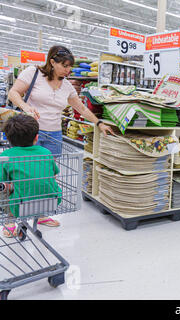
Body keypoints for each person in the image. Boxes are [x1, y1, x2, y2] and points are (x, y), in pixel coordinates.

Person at [8, 45, 113, 228]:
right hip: (29, 132)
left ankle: (39, 214)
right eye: (64, 65)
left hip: (54, 134)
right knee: (19, 175)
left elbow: (80, 108)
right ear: (52, 62)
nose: (68, 70)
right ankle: (10, 220)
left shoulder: (66, 86)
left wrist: (99, 123)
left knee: (47, 176)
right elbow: (13, 93)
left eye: (70, 66)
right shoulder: (33, 73)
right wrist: (26, 108)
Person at [1, 114, 62, 237]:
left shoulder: (6, 156)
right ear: (36, 137)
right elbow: (54, 174)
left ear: (8, 138)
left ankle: (10, 220)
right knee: (39, 181)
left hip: (19, 206)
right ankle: (41, 215)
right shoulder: (46, 152)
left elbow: (3, 183)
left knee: (3, 188)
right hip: (52, 201)